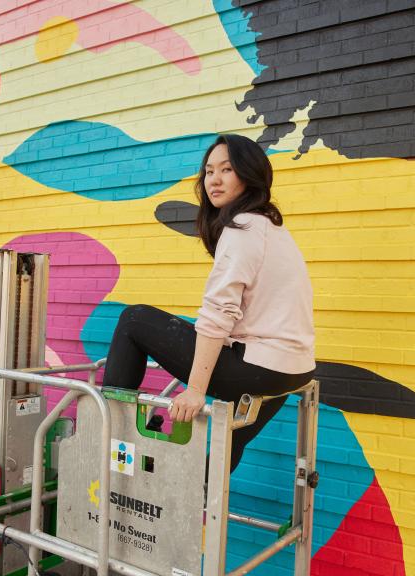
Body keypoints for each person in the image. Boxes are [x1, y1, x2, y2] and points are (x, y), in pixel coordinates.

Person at [102, 133, 315, 473]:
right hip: (292, 370)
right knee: (232, 437)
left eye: (227, 170)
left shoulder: (242, 228)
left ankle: (109, 433)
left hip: (260, 365)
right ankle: (199, 493)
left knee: (133, 320)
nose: (214, 180)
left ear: (249, 174)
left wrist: (195, 390)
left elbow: (219, 312)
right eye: (209, 171)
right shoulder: (271, 228)